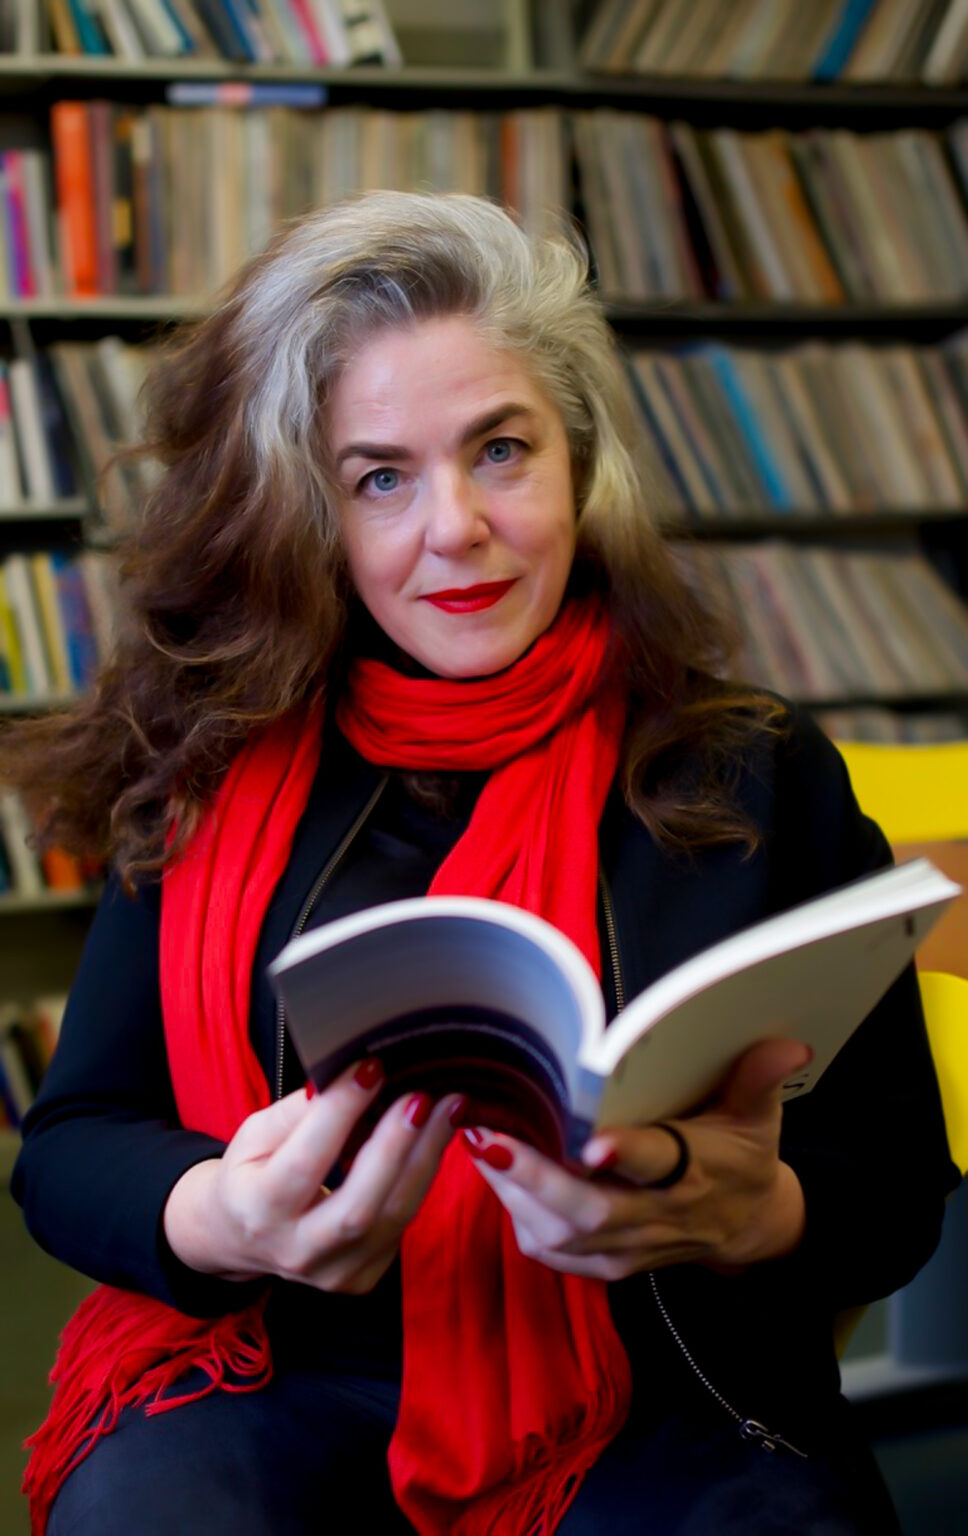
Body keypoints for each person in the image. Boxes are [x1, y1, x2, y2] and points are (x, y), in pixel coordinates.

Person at [5, 191, 957, 1536]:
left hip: (664, 1382)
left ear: (578, 463)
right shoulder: (214, 767)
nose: (453, 527)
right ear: (312, 515)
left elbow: (899, 1180)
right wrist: (215, 1215)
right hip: (276, 1365)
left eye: (500, 450)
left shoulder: (754, 768)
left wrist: (763, 1212)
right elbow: (70, 1145)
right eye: (379, 478)